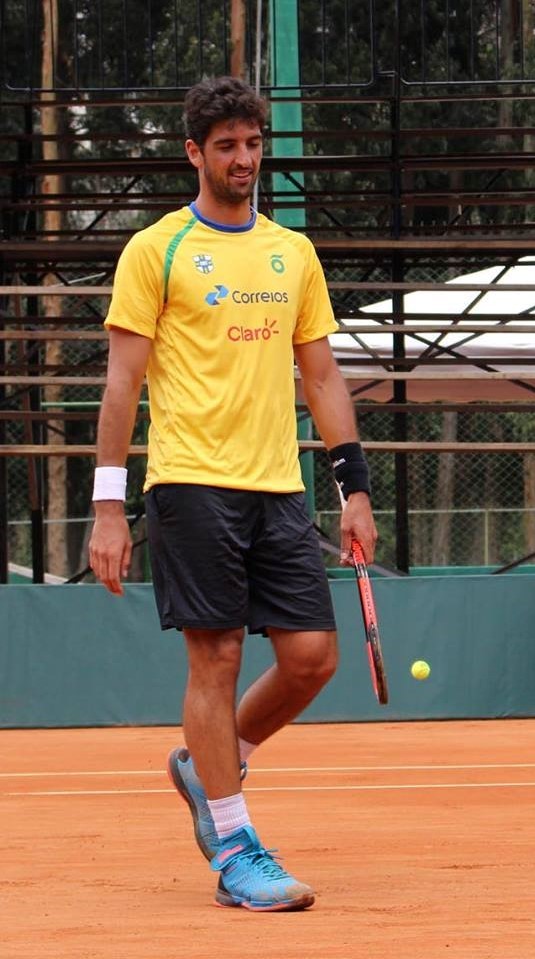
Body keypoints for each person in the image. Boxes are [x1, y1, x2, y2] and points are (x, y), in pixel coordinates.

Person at [89, 75, 377, 913]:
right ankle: (234, 845)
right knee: (215, 659)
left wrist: (352, 488)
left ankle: (213, 756)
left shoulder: (292, 254)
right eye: (226, 146)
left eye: (252, 144)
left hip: (279, 488)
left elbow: (320, 375)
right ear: (195, 153)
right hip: (190, 482)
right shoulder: (157, 249)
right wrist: (109, 508)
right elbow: (120, 384)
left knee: (310, 658)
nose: (243, 158)